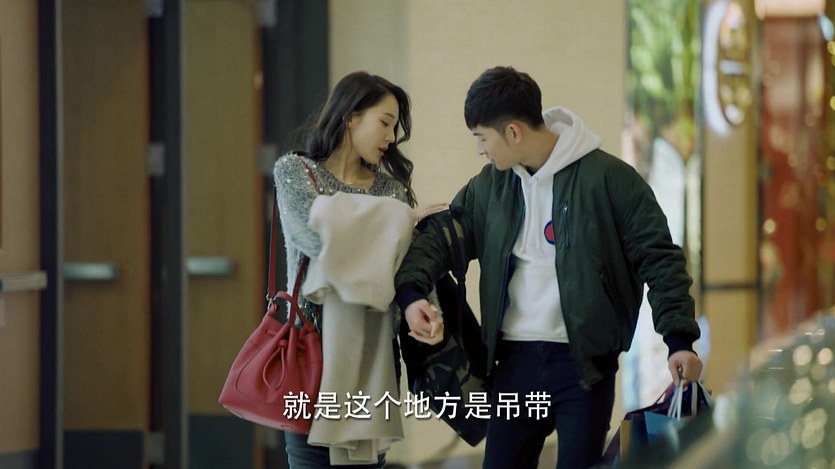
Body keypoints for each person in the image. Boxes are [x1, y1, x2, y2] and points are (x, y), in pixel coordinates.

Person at [395, 66, 703, 468]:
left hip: (585, 369)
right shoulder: (489, 188)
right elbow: (441, 240)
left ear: (513, 132)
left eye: (481, 137)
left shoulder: (610, 180)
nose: (479, 150)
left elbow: (659, 258)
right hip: (513, 365)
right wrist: (412, 294)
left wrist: (679, 339)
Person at [273, 71, 443, 469]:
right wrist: (399, 220)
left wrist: (424, 308)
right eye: (384, 122)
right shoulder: (297, 172)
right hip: (311, 360)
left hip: (374, 363)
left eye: (395, 127)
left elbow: (408, 271)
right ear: (351, 116)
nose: (390, 137)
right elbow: (315, 238)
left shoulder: (392, 191)